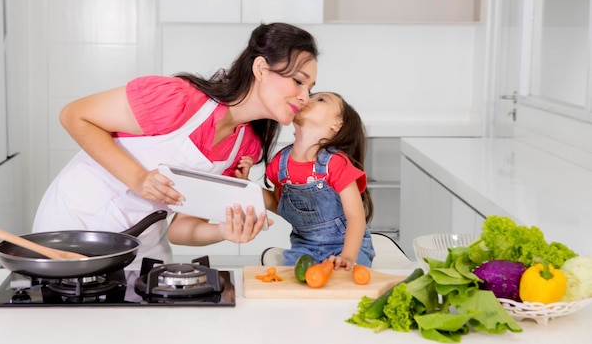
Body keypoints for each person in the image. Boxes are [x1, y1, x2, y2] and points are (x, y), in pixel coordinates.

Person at [32, 22, 319, 268]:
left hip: (139, 244)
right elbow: (74, 115)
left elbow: (181, 229)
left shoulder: (245, 148)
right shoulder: (177, 99)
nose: (305, 97)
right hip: (77, 225)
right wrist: (138, 178)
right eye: (298, 81)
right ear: (260, 68)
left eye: (310, 88)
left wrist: (225, 231)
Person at [263, 91, 375, 269]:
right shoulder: (280, 164)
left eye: (321, 99)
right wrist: (244, 183)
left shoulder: (337, 164)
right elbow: (279, 205)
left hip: (346, 246)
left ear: (337, 124)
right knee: (292, 280)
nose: (308, 99)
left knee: (345, 281)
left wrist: (347, 256)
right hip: (305, 248)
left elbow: (356, 217)